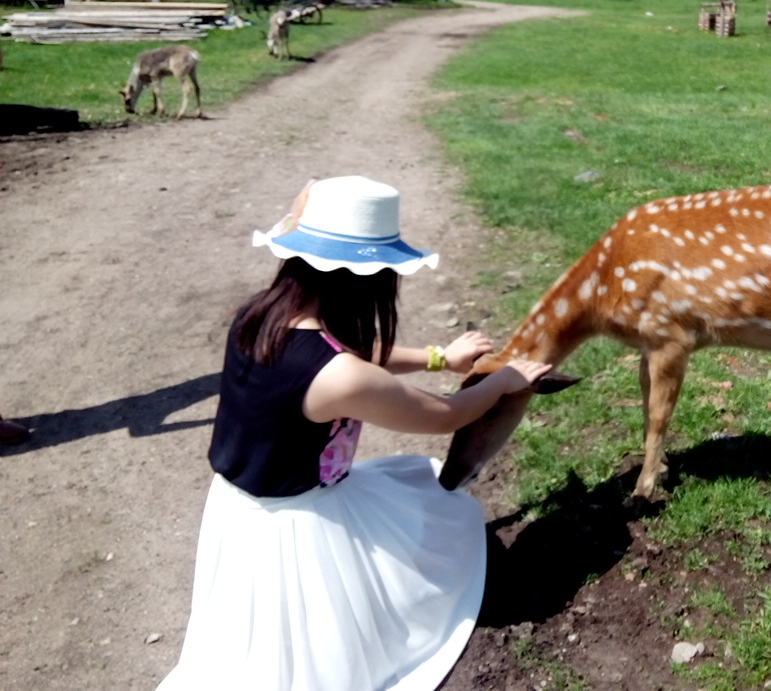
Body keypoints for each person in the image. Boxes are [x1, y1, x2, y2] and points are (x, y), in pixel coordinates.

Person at [158, 175, 551, 691]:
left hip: (235, 510)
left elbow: (345, 354)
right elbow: (445, 415)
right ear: (370, 279)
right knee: (323, 643)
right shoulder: (340, 375)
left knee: (249, 635)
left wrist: (439, 357)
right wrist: (504, 380)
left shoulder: (258, 315)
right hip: (297, 528)